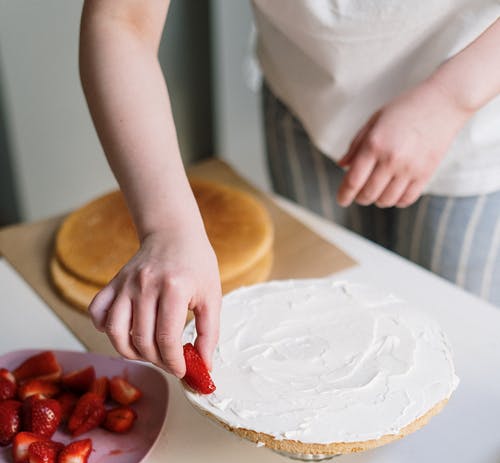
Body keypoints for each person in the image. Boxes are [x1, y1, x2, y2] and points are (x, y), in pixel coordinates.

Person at [79, 0, 500, 379]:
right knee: (323, 327)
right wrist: (168, 228)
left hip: (475, 130)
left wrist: (451, 98)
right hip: (303, 100)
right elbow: (121, 20)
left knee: (453, 348)